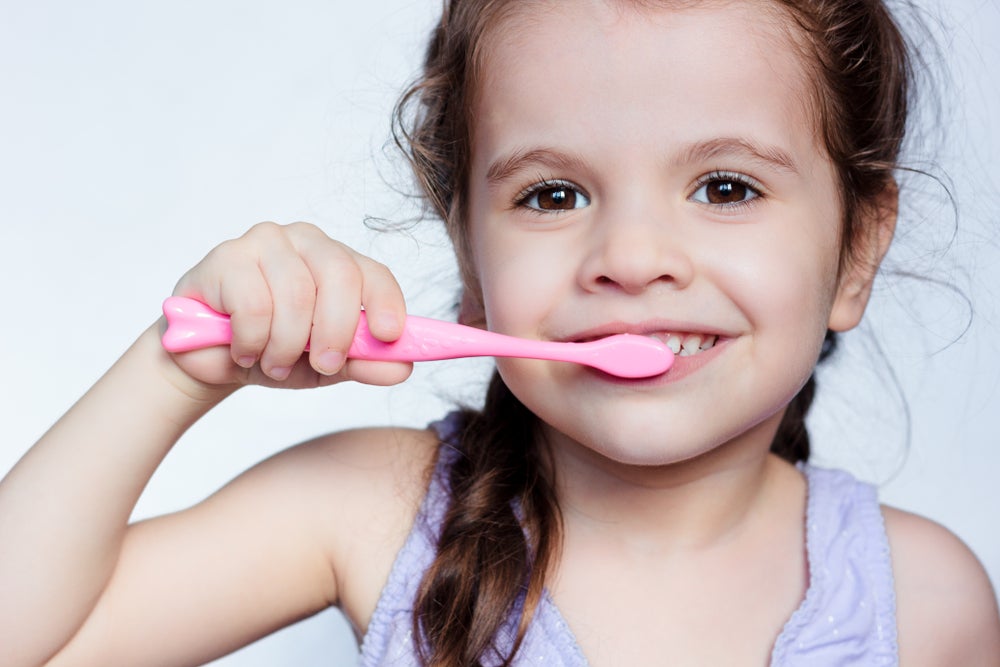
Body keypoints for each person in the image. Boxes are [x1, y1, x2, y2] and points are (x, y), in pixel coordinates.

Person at [2, 0, 998, 665]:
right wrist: (180, 370)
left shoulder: (927, 600)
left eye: (725, 186)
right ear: (470, 259)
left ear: (857, 250)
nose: (633, 254)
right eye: (552, 193)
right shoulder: (375, 510)